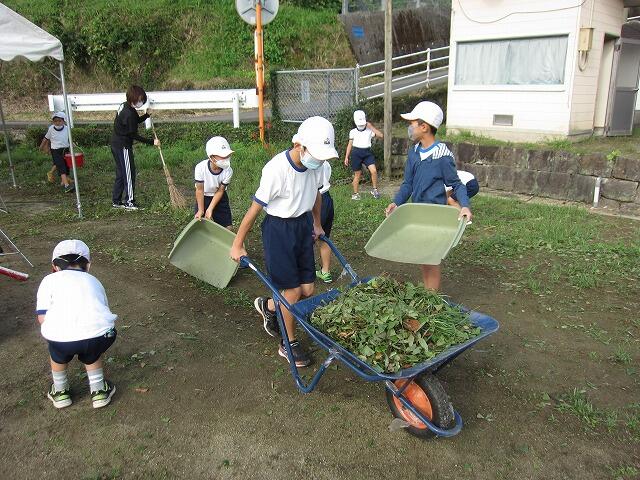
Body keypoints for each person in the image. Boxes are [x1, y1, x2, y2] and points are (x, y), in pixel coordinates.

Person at [230, 116, 338, 368]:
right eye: (316, 155)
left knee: (307, 290)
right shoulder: (276, 170)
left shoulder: (317, 165)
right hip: (279, 230)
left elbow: (316, 195)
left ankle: (269, 307)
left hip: (302, 226)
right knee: (291, 292)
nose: (319, 160)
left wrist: (317, 223)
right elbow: (254, 209)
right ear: (299, 145)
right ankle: (288, 343)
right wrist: (237, 243)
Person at [385, 101, 472, 291]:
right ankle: (428, 293)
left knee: (432, 259)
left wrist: (465, 205)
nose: (409, 127)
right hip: (418, 215)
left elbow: (456, 184)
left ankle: (431, 299)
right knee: (423, 256)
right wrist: (396, 202)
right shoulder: (414, 152)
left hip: (435, 216)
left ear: (424, 127)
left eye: (412, 123)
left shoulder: (442, 156)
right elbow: (408, 184)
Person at [36, 240, 117, 409]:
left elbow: (42, 318)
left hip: (61, 339)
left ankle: (60, 392)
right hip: (100, 335)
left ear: (55, 266)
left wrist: (57, 335)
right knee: (92, 350)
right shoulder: (94, 280)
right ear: (88, 265)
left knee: (57, 352)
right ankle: (99, 391)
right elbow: (103, 311)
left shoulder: (48, 281)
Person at [110, 85, 160, 210]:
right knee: (129, 173)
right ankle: (129, 202)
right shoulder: (129, 113)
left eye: (142, 100)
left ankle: (116, 201)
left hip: (115, 143)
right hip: (123, 146)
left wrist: (146, 115)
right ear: (133, 99)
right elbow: (133, 134)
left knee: (121, 172)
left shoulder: (125, 106)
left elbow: (135, 120)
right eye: (139, 100)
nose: (141, 102)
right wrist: (152, 142)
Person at [194, 136, 234, 229]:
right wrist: (201, 210)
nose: (226, 158)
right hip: (203, 196)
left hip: (220, 197)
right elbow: (199, 190)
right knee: (200, 225)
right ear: (211, 157)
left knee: (228, 227)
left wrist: (210, 208)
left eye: (227, 155)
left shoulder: (228, 171)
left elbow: (220, 191)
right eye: (222, 156)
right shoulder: (200, 168)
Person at [344, 110, 383, 200]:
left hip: (367, 153)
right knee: (357, 174)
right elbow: (349, 145)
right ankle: (355, 194)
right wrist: (346, 157)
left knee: (373, 171)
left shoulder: (369, 130)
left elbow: (381, 135)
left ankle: (374, 190)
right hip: (356, 153)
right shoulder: (353, 132)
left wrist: (371, 127)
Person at [39, 112, 74, 193]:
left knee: (66, 165)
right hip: (56, 150)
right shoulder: (51, 129)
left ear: (63, 121)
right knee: (61, 166)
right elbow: (46, 138)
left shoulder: (66, 128)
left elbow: (69, 138)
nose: (57, 123)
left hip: (65, 149)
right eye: (55, 121)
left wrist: (72, 143)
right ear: (53, 122)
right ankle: (66, 186)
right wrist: (42, 147)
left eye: (59, 121)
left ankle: (63, 181)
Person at [315, 160, 334, 283]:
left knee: (306, 239)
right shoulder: (325, 163)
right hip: (327, 200)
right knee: (324, 238)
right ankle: (325, 272)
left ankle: (304, 274)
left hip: (315, 201)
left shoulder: (308, 164)